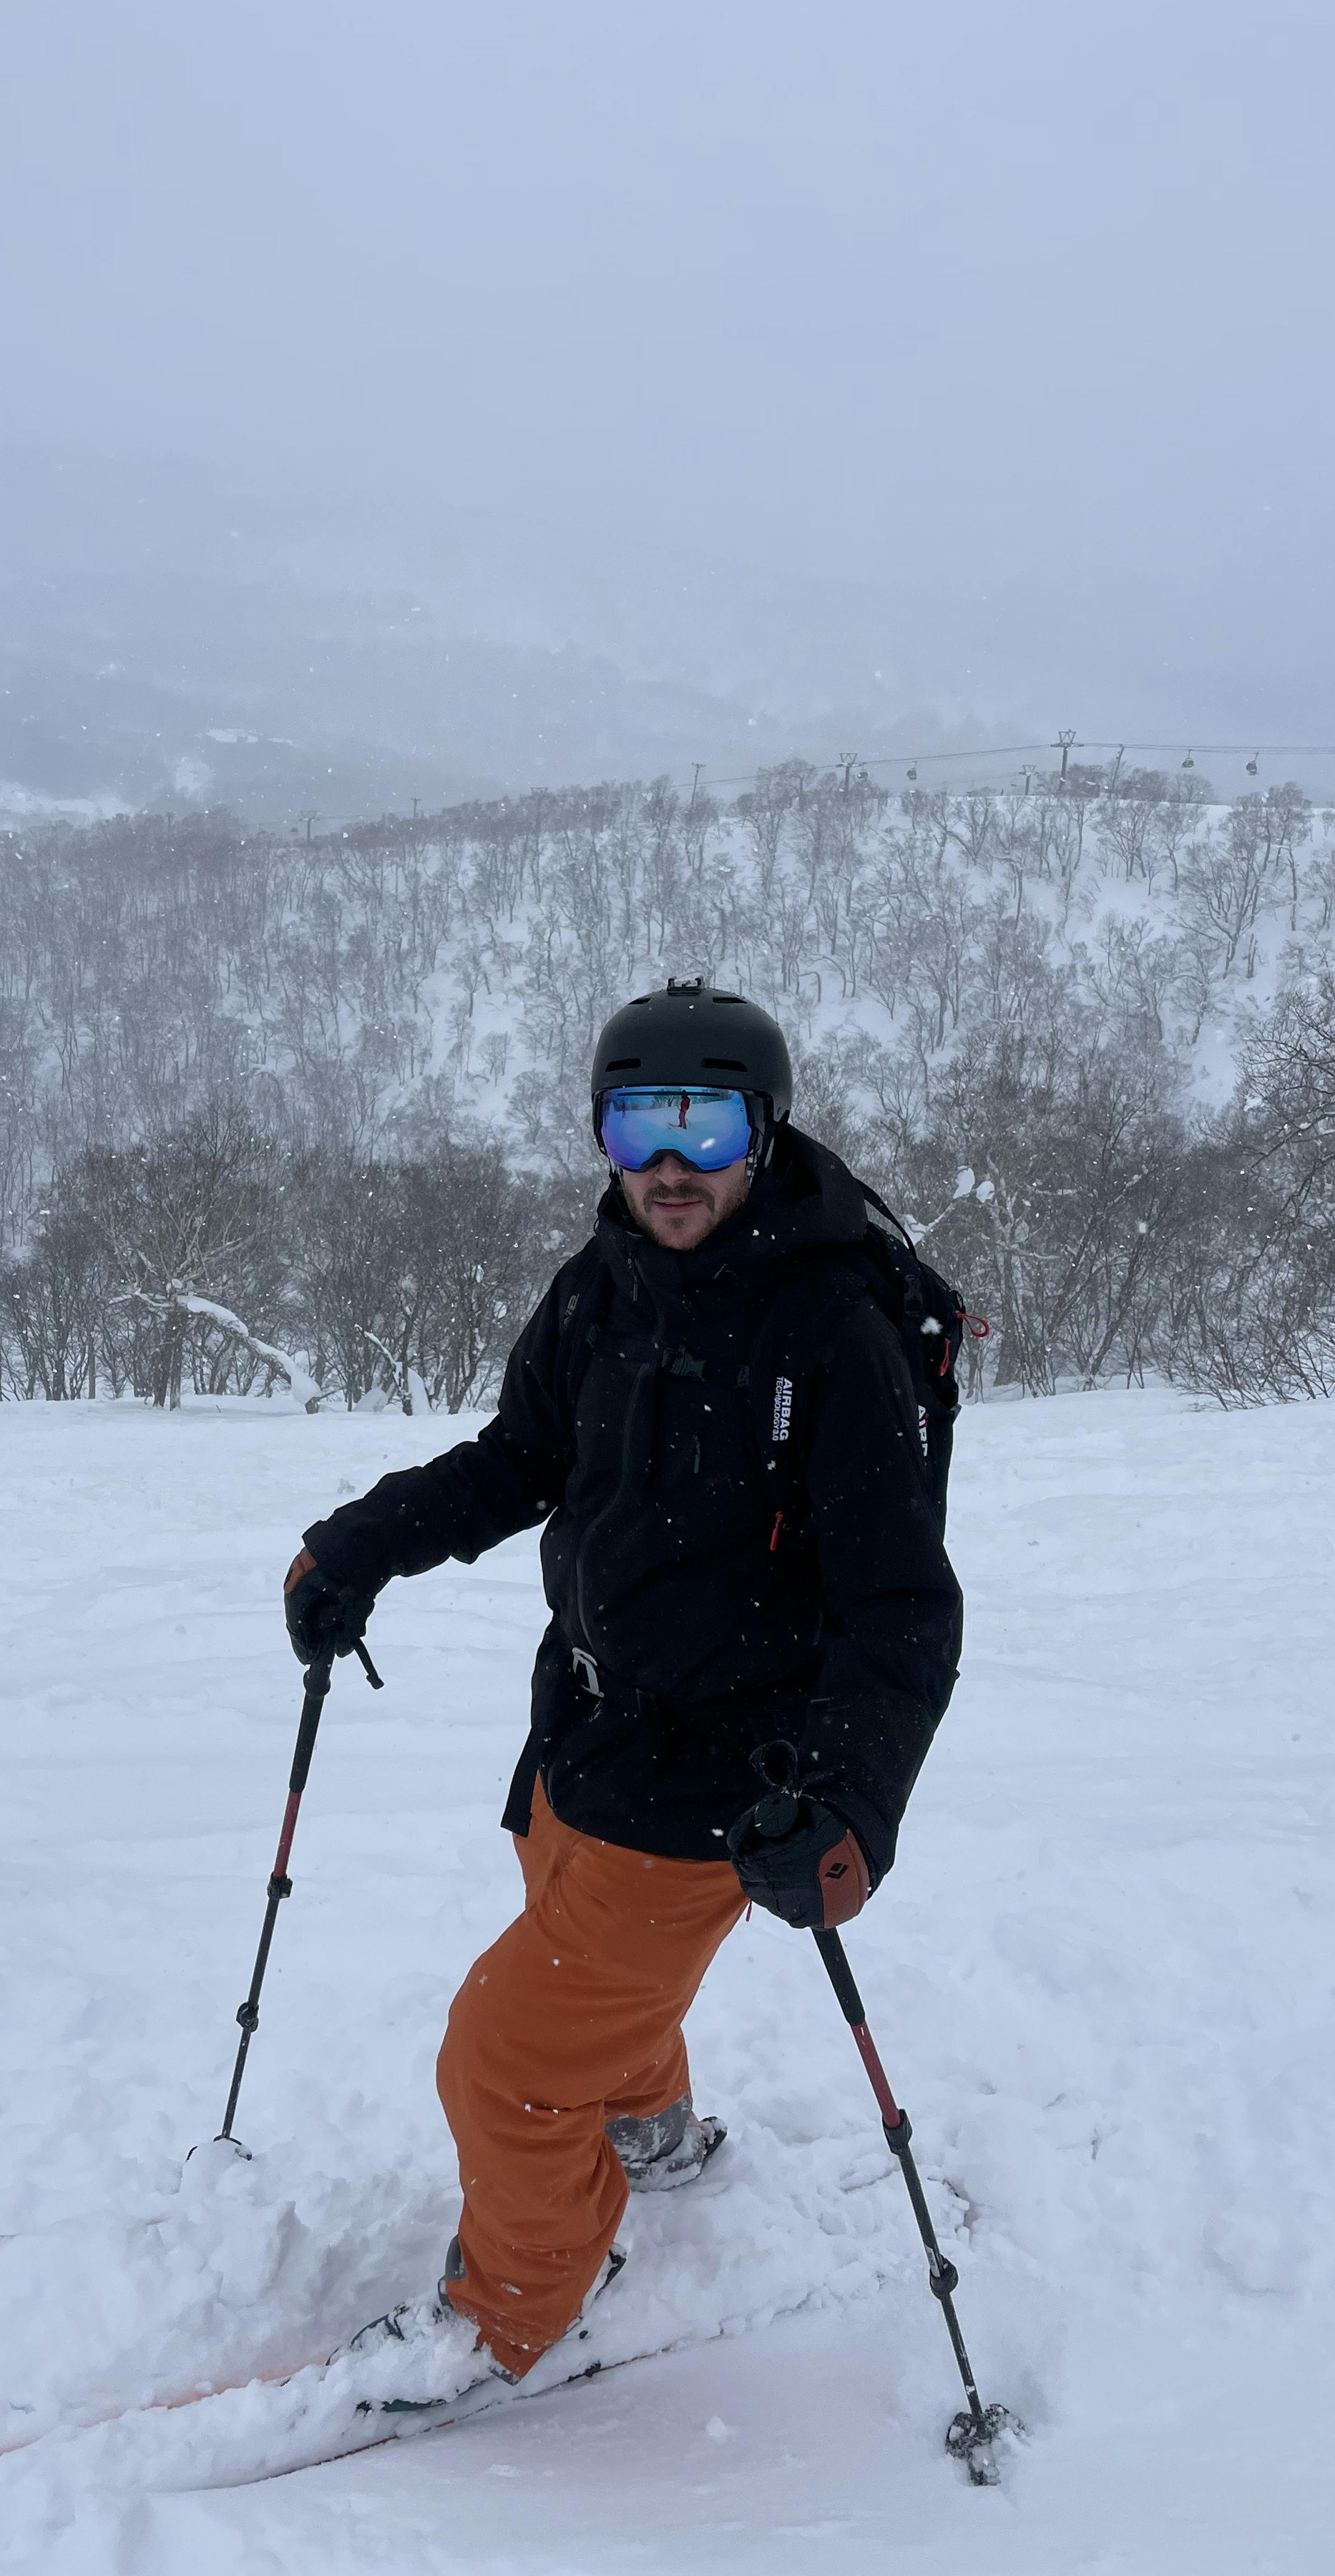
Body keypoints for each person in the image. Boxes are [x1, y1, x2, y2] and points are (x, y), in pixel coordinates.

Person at [283, 978, 963, 2403]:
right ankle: (650, 2135)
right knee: (574, 1952)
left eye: (704, 1126)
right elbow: (519, 1459)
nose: (668, 1165)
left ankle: (523, 2313)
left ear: (763, 1133)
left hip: (718, 1779)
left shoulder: (833, 1329)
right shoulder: (602, 1281)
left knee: (507, 2062)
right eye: (633, 1123)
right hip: (583, 1734)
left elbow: (903, 1604)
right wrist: (362, 1546)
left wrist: (850, 1802)